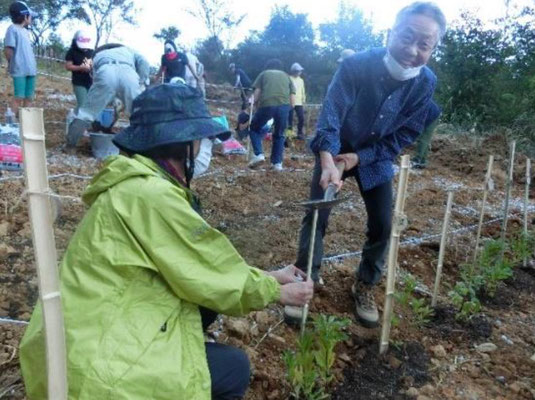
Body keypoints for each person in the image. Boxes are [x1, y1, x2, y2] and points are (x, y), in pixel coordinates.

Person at [19, 83, 314, 400]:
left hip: (74, 352)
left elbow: (198, 267)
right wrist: (276, 292)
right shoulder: (151, 195)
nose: (204, 148)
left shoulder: (131, 186)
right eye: (200, 140)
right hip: (100, 375)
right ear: (182, 144)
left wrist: (270, 277)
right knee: (234, 368)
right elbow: (207, 272)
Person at [285, 2, 446, 327]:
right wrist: (330, 160)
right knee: (318, 214)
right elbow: (331, 115)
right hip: (335, 151)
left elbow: (406, 133)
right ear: (390, 33)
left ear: (433, 49)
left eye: (424, 45)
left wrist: (361, 157)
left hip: (375, 158)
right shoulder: (356, 65)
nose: (411, 50)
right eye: (406, 37)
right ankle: (304, 282)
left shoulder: (425, 83)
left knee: (384, 223)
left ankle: (365, 284)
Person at [66, 44, 150, 150]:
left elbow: (97, 81)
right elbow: (144, 63)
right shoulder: (129, 50)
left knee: (86, 113)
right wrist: (141, 81)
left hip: (105, 71)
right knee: (139, 113)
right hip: (129, 74)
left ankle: (70, 146)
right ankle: (144, 148)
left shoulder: (97, 56)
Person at [248, 59, 296, 171]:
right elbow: (293, 98)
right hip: (284, 106)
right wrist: (287, 109)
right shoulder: (286, 76)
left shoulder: (264, 74)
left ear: (268, 66)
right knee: (279, 134)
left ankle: (259, 154)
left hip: (267, 105)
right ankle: (277, 164)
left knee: (254, 128)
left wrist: (251, 103)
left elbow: (257, 93)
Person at [3, 1, 37, 119]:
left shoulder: (25, 31)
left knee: (29, 97)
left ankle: (26, 122)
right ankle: (10, 123)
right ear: (24, 16)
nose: (31, 18)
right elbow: (8, 49)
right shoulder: (12, 29)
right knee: (19, 97)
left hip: (31, 70)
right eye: (30, 16)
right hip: (19, 69)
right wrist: (11, 63)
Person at [65, 30, 95, 113]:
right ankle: (77, 121)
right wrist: (80, 68)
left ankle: (74, 116)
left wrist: (92, 67)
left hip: (90, 81)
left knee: (89, 103)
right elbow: (68, 66)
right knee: (82, 104)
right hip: (78, 82)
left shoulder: (91, 52)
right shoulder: (72, 52)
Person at [412, 100, 441, 168]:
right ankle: (422, 161)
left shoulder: (416, 103)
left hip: (432, 115)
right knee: (426, 139)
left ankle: (417, 159)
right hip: (433, 113)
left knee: (423, 138)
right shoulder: (417, 99)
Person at [288, 62, 307, 140]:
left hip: (299, 102)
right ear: (293, 71)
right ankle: (289, 135)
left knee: (301, 118)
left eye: (300, 71)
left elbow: (303, 90)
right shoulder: (289, 78)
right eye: (297, 71)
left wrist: (304, 99)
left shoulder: (301, 80)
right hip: (290, 102)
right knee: (289, 119)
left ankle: (300, 133)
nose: (299, 72)